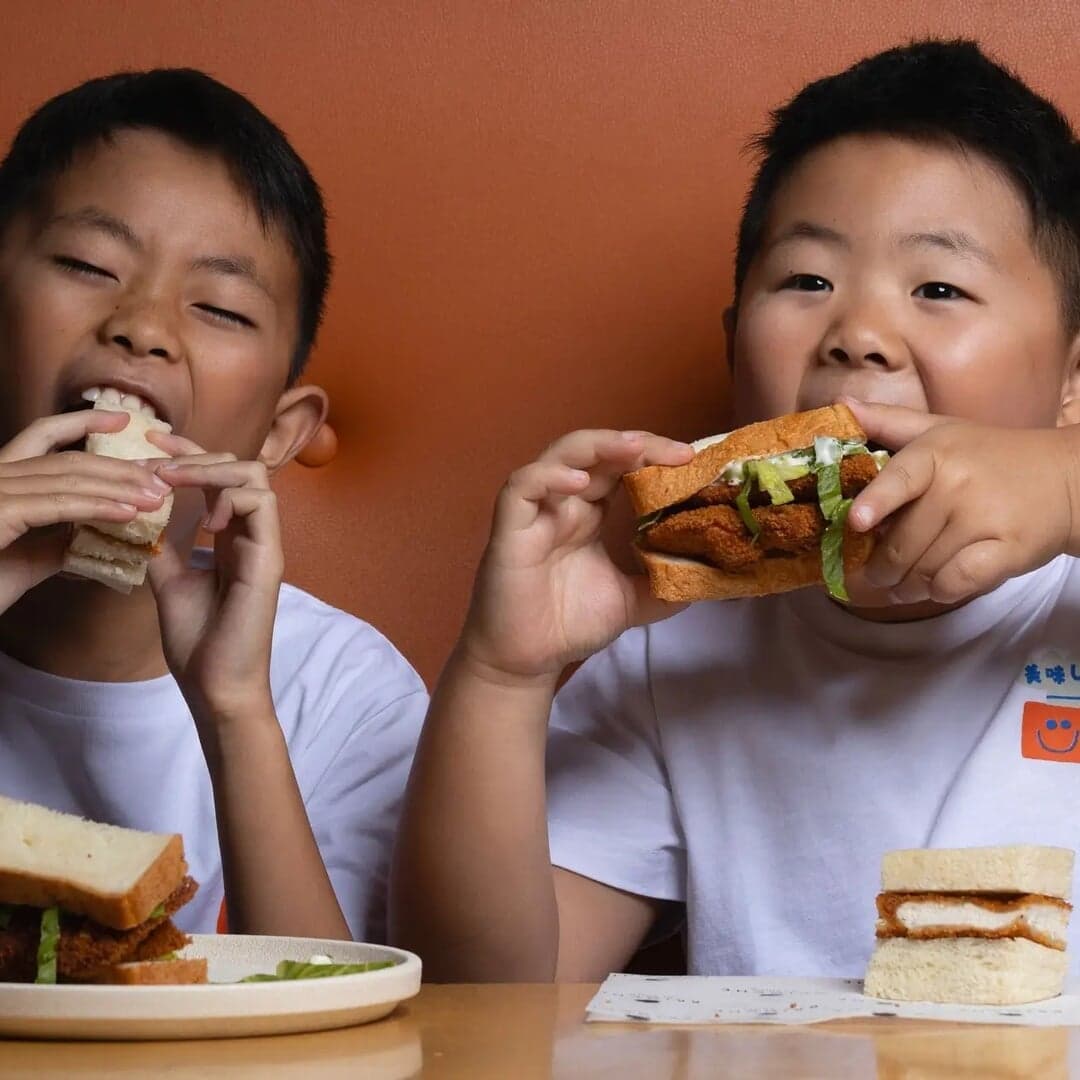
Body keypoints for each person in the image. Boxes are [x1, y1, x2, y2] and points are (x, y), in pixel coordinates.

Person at [392, 40, 1080, 979]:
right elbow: (488, 999)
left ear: (1073, 381)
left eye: (939, 288)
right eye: (807, 281)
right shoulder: (669, 653)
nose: (859, 335)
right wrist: (501, 676)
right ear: (733, 352)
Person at [0, 70, 426, 941]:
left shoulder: (341, 691)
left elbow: (331, 1050)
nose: (143, 324)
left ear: (275, 434)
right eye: (87, 264)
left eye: (221, 308)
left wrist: (236, 710)